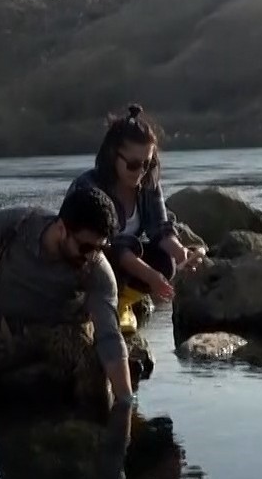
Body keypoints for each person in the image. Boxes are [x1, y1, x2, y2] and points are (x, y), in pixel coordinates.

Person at [0, 185, 135, 413]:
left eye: (99, 248)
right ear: (62, 228)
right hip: (3, 332)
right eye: (85, 246)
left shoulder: (97, 270)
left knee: (95, 372)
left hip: (62, 337)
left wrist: (126, 401)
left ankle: (83, 436)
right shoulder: (16, 224)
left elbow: (109, 337)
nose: (91, 256)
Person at [66, 104, 204, 331]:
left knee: (165, 260)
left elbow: (160, 229)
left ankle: (123, 302)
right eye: (133, 165)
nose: (141, 171)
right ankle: (103, 304)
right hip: (88, 260)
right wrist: (149, 276)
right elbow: (113, 246)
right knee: (107, 259)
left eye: (147, 163)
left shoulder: (147, 184)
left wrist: (183, 254)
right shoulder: (90, 187)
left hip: (122, 260)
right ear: (113, 156)